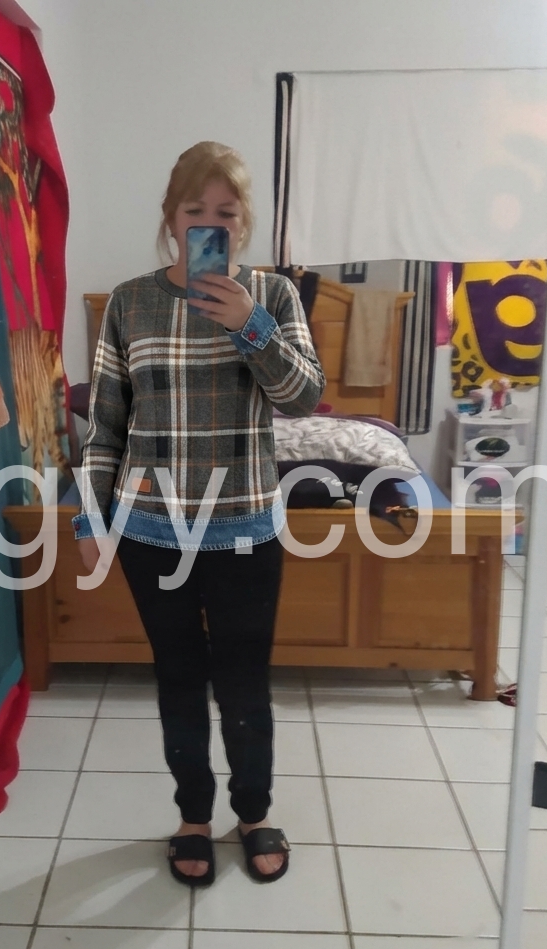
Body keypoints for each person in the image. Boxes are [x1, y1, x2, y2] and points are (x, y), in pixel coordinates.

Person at [73, 141, 325, 886]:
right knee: (178, 677)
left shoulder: (274, 296)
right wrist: (90, 518)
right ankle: (192, 815)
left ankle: (253, 812)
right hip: (152, 530)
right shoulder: (129, 303)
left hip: (245, 526)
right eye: (195, 210)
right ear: (170, 217)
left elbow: (303, 399)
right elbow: (106, 426)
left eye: (226, 211)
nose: (210, 223)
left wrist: (251, 325)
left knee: (244, 683)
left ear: (243, 222)